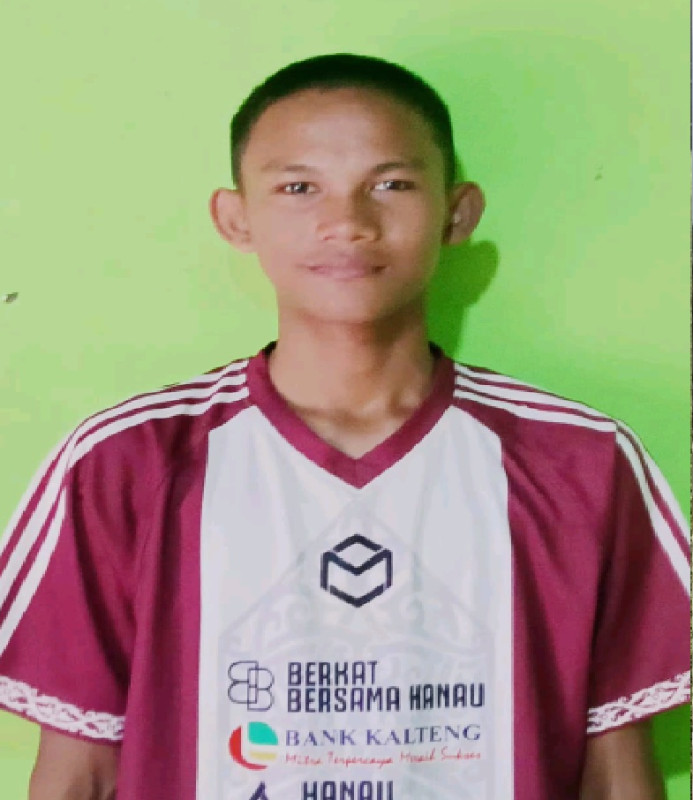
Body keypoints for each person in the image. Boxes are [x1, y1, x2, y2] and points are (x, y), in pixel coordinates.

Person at [0, 53, 688, 800]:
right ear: (236, 218)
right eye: (298, 188)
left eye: (391, 184)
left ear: (458, 214)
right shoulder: (123, 463)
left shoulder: (581, 462)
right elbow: (79, 772)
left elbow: (616, 773)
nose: (347, 224)